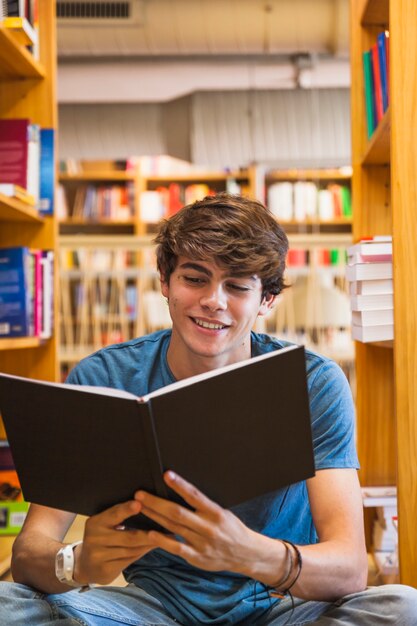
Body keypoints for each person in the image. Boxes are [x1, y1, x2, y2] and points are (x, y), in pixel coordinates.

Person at [1, 193, 416, 626]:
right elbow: (29, 553)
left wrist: (251, 554)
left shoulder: (313, 383)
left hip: (279, 606)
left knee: (401, 608)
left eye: (237, 286)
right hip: (150, 609)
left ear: (266, 299)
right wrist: (79, 562)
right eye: (195, 279)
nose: (214, 300)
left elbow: (349, 568)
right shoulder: (104, 377)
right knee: (6, 605)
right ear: (165, 280)